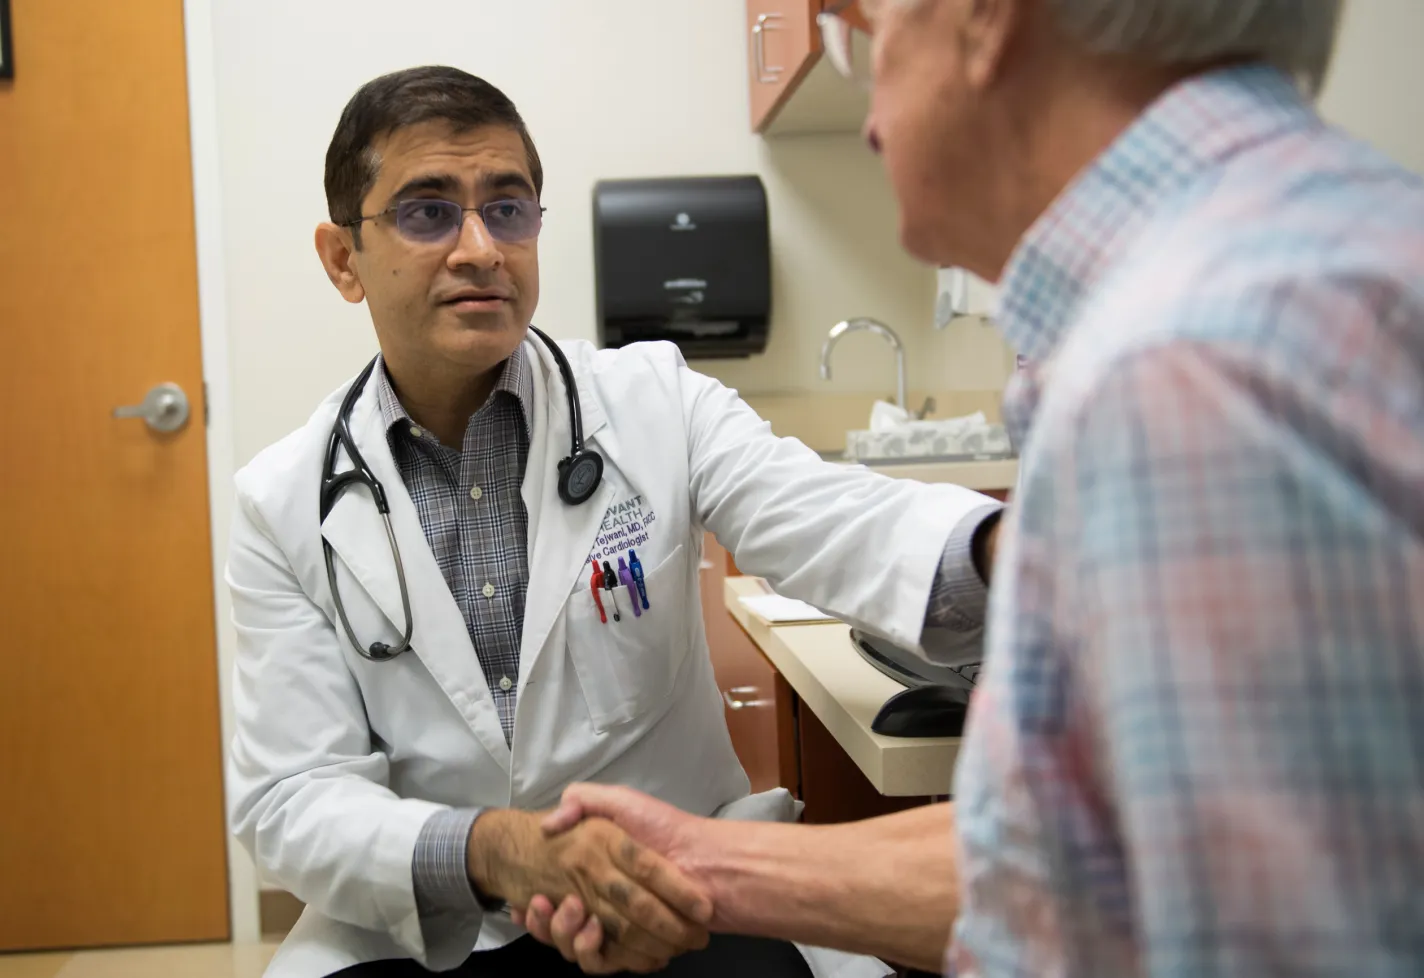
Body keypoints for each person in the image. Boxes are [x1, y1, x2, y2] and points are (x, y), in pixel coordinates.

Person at [517, 0, 1424, 975]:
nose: (866, 107)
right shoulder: (1322, 246)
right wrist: (698, 859)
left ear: (983, 16)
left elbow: (1240, 942)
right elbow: (1086, 862)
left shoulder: (1183, 363)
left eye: (867, 31)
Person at [225, 65, 1007, 978]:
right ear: (342, 259)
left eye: (508, 208)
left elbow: (842, 522)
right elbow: (294, 797)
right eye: (428, 211)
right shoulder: (281, 502)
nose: (480, 247)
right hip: (436, 920)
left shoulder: (655, 403)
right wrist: (495, 850)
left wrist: (1020, 557)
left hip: (675, 892)